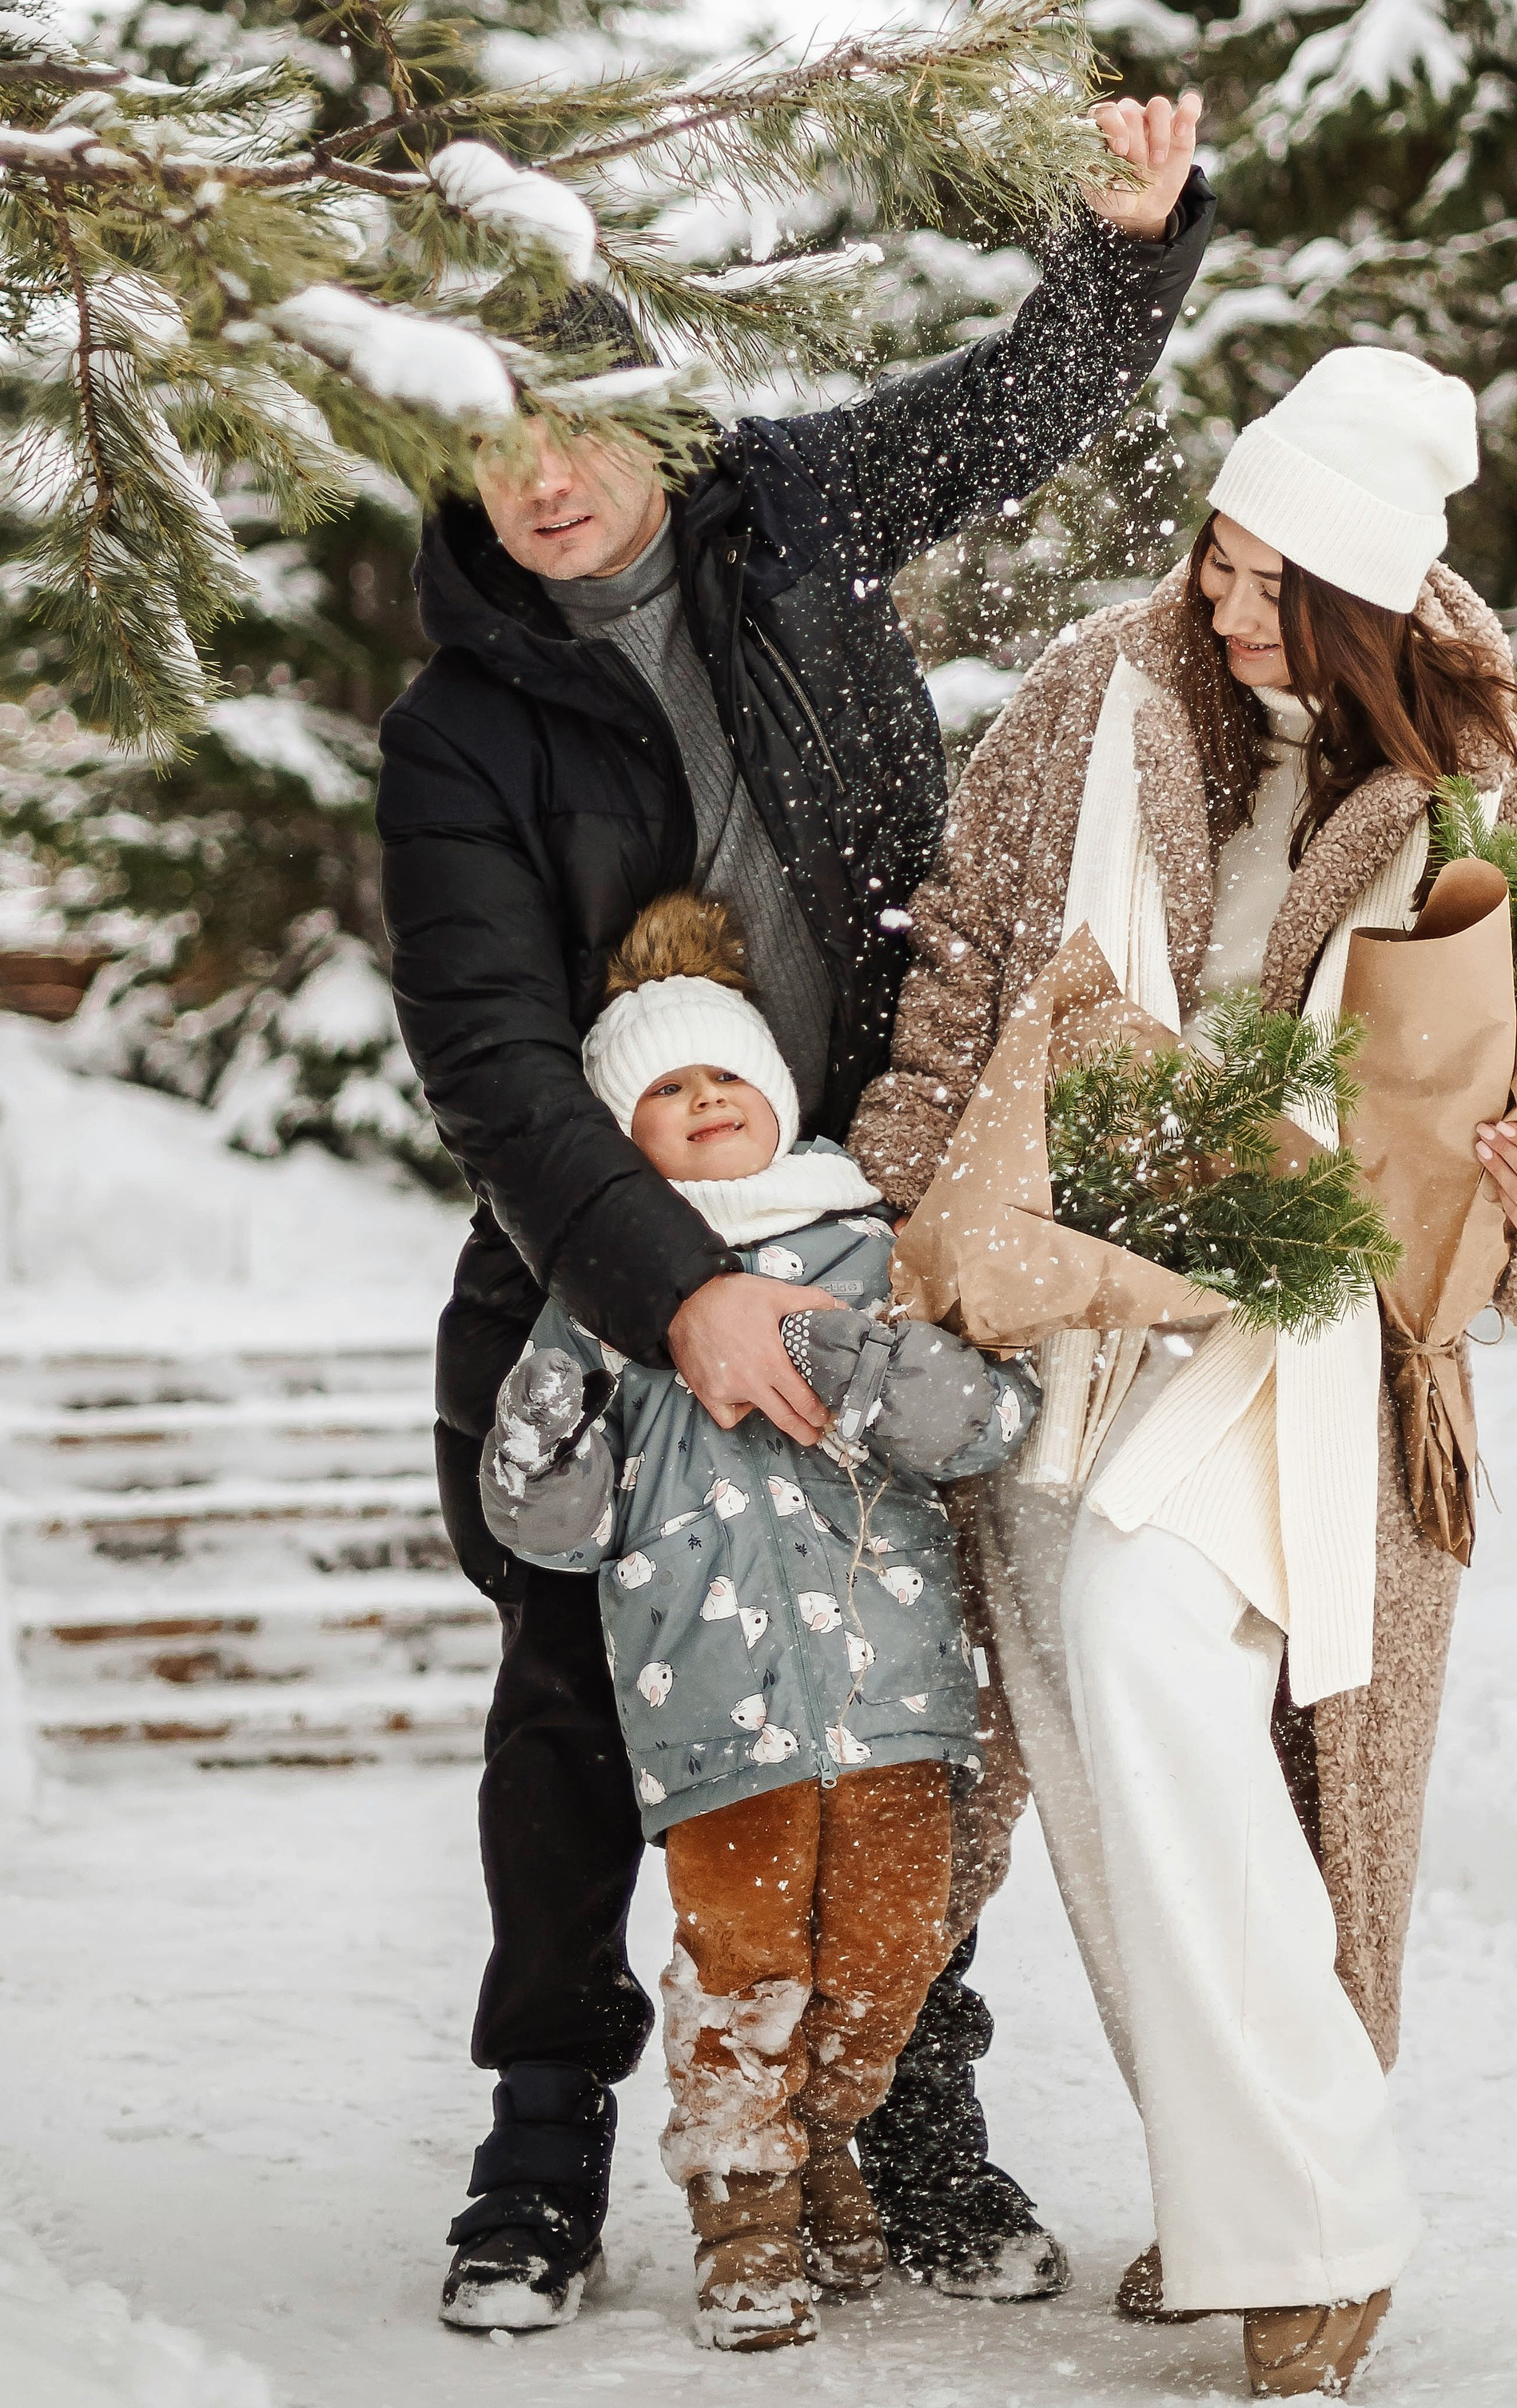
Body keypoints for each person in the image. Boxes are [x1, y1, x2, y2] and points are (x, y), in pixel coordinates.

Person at [376, 93, 1210, 2332]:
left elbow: (1012, 409)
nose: (542, 480)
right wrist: (669, 1303)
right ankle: (541, 2148)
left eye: (572, 423)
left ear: (651, 399)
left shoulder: (794, 520)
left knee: (905, 1699)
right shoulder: (460, 728)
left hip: (855, 1237)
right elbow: (493, 1065)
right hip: (592, 1260)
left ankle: (908, 2119)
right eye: (490, 447)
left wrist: (1126, 253)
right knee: (568, 1698)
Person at [850, 346, 1517, 2400]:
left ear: (1369, 593)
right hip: (1075, 1297)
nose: (1213, 597)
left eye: (1260, 571)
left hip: (1321, 1355)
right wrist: (895, 1231)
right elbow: (959, 966)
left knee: (1139, 1645)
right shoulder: (1088, 705)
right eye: (1210, 551)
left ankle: (1307, 2220)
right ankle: (1246, 2194)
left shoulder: (1508, 803)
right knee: (1117, 1750)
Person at [476, 893, 1038, 2350]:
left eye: (723, 1072)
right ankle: (746, 2215)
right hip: (713, 1715)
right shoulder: (606, 1306)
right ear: (622, 1141)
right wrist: (545, 1410)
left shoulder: (872, 1248)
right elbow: (551, 1524)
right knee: (743, 1965)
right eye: (663, 1091)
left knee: (895, 1944)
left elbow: (987, 1418)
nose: (703, 1097)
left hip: (901, 1694)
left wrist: (858, 1361)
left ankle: (827, 2140)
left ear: (778, 1098)